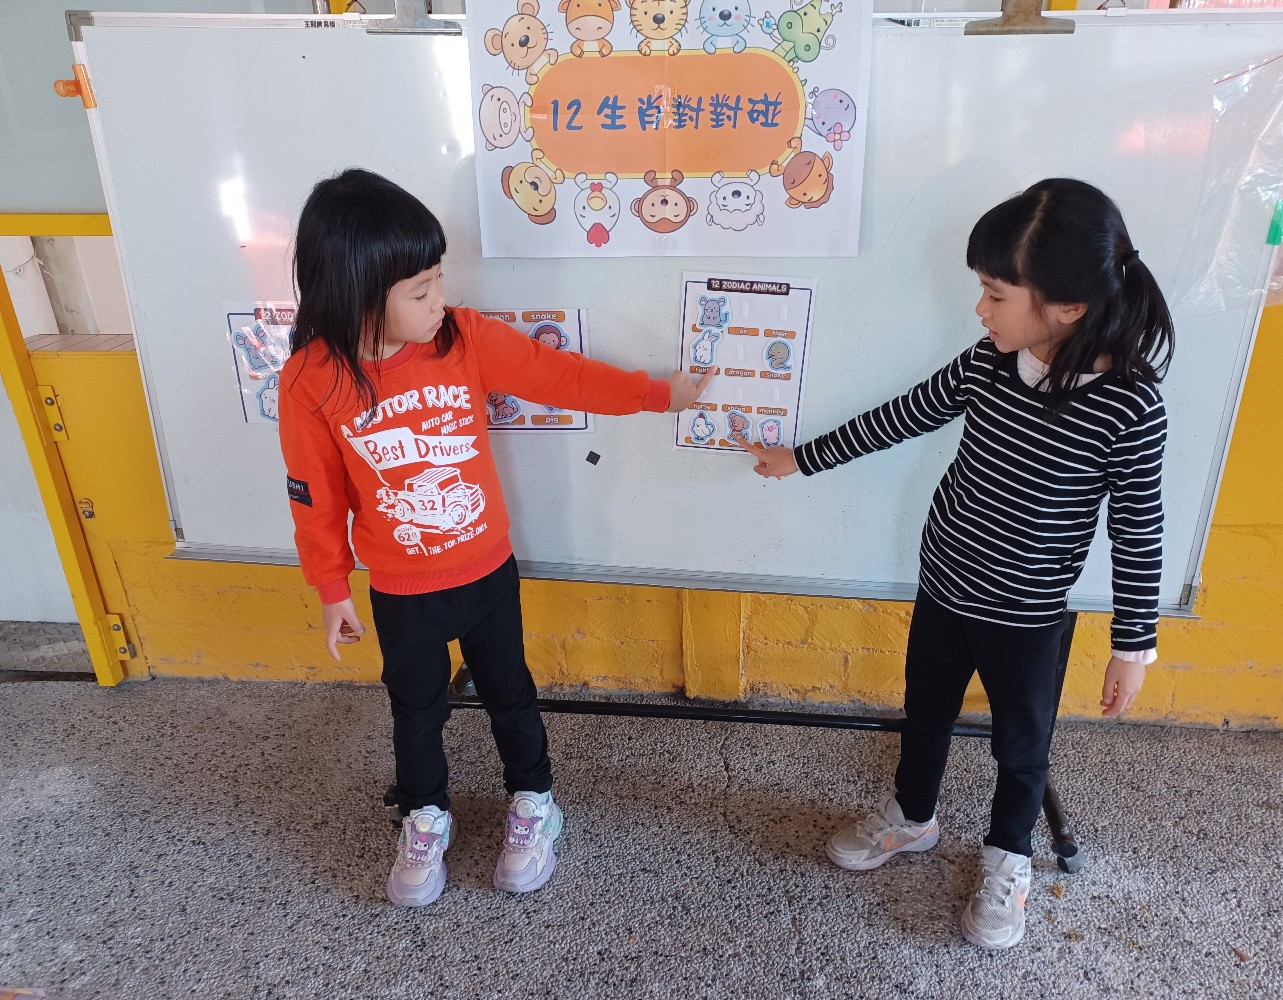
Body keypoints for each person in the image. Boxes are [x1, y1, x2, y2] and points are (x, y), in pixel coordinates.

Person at [743, 178, 1173, 949]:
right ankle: (912, 816)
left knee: (1021, 747)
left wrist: (1131, 645)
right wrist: (802, 458)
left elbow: (1138, 529)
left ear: (1067, 306)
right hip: (944, 583)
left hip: (1027, 615)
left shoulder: (1129, 406)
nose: (980, 309)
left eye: (995, 294)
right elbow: (904, 414)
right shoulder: (989, 362)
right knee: (925, 712)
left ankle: (1008, 857)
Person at [278, 168, 714, 906]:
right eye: (420, 290)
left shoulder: (464, 338)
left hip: (485, 570)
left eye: (438, 281)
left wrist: (654, 394)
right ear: (356, 292)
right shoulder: (310, 380)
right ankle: (424, 816)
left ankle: (533, 801)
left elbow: (559, 377)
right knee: (416, 709)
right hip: (401, 588)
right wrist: (330, 586)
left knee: (510, 691)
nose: (438, 300)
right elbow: (314, 496)